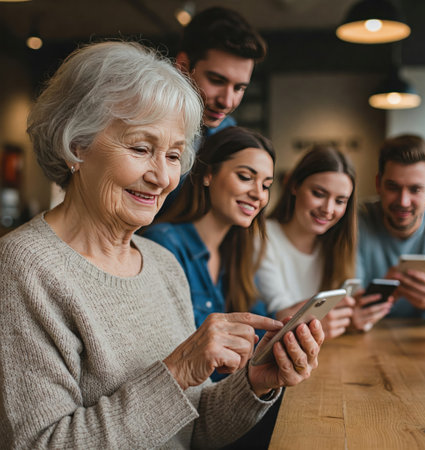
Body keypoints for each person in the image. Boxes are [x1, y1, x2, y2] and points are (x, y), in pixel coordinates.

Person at [0, 41, 324, 449]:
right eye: (140, 148)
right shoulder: (24, 267)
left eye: (173, 155)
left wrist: (254, 383)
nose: (161, 177)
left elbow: (193, 429)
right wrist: (178, 370)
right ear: (76, 145)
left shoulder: (163, 262)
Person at [142, 126, 275, 339]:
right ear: (208, 175)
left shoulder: (239, 251)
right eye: (245, 177)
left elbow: (259, 330)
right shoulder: (163, 243)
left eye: (266, 185)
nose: (258, 194)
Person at [255, 146, 378, 338]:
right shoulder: (262, 237)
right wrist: (316, 322)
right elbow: (279, 315)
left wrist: (352, 317)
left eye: (340, 201)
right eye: (319, 194)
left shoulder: (336, 245)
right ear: (294, 186)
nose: (328, 209)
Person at [356, 134, 425, 321]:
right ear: (378, 184)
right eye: (393, 187)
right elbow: (344, 297)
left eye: (415, 189)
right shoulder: (355, 221)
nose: (403, 201)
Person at [176, 6, 266, 138]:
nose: (227, 102)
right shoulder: (140, 119)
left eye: (239, 88)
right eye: (217, 81)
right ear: (183, 66)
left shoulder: (228, 134)